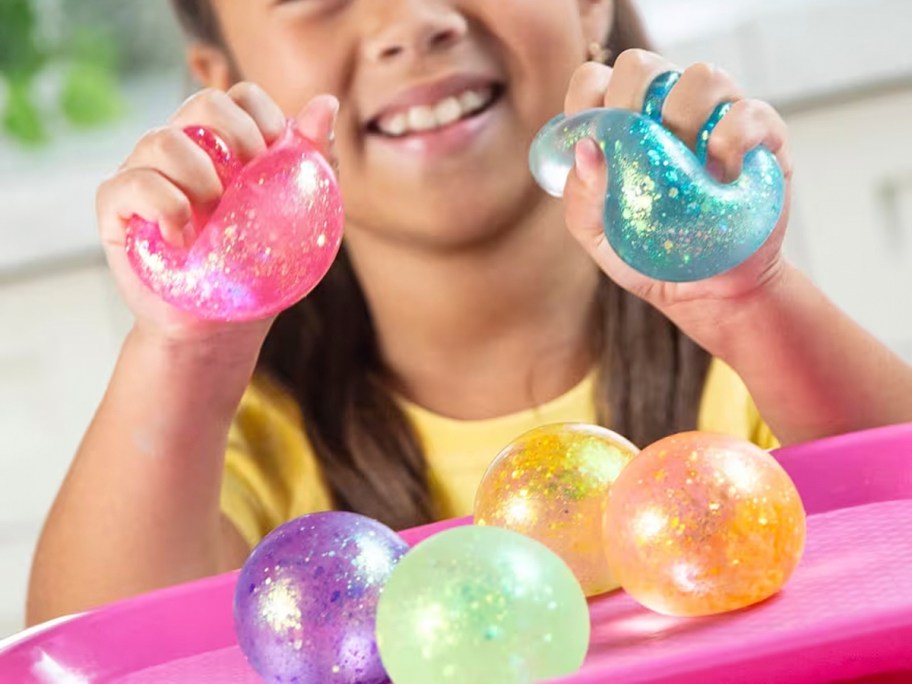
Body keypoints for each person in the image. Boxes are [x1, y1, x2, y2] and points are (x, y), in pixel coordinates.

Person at [26, 0, 912, 626]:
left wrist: (745, 299)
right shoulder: (243, 459)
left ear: (591, 4)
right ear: (225, 79)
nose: (413, 20)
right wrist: (187, 350)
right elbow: (100, 647)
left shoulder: (752, 378)